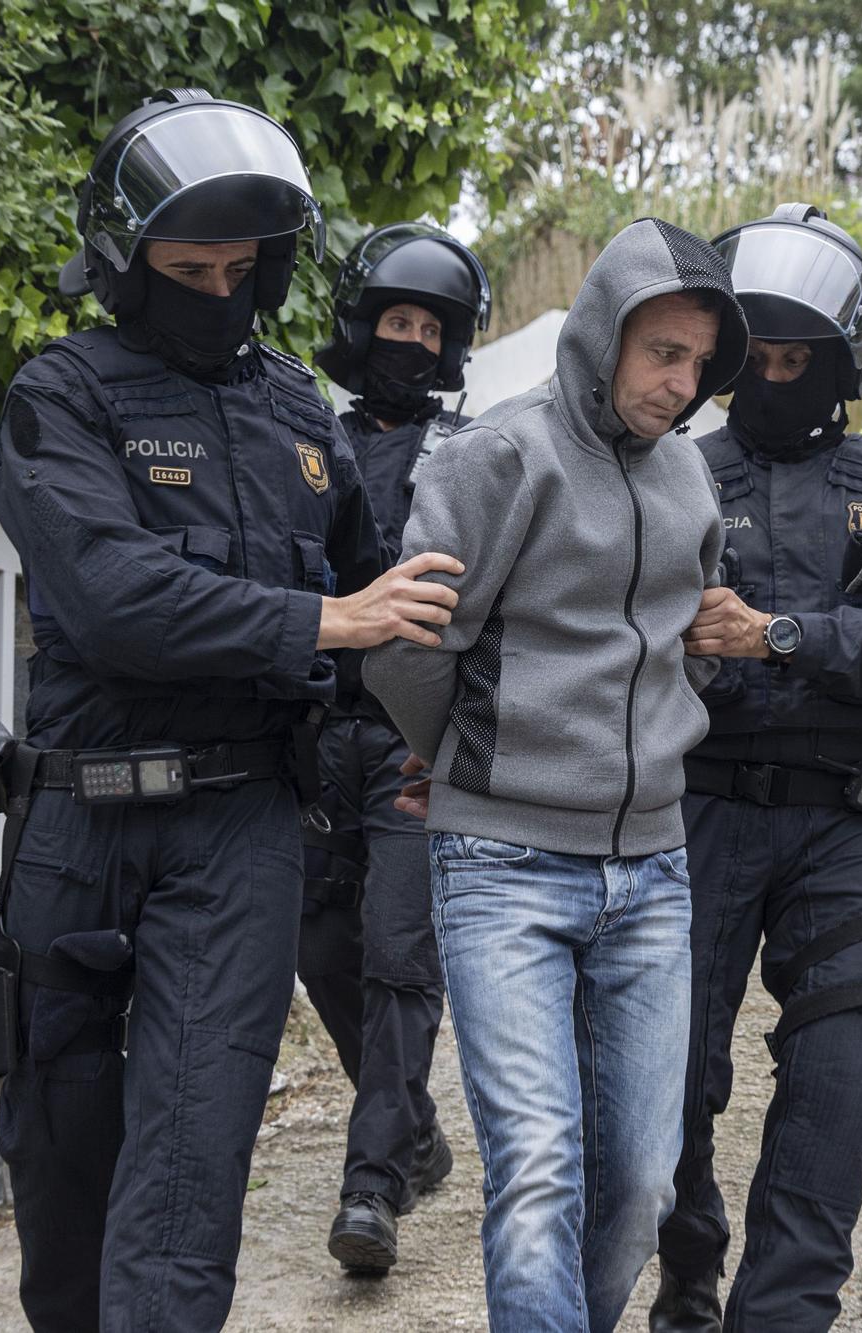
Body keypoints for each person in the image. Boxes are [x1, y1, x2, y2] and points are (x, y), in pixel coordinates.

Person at [0, 89, 461, 1330]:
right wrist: (320, 621)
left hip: (240, 825)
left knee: (191, 1178)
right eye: (185, 267)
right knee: (61, 1166)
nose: (215, 291)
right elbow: (109, 598)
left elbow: (388, 613)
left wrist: (443, 742)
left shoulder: (306, 415)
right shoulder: (58, 397)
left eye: (236, 269)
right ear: (122, 261)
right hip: (74, 823)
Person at [362, 218, 748, 1332]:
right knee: (537, 1167)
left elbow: (687, 641)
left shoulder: (689, 478)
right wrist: (467, 761)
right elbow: (405, 642)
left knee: (637, 1182)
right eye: (658, 353)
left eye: (694, 362)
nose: (677, 385)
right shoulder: (499, 454)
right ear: (600, 336)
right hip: (502, 864)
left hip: (653, 871)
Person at [651, 206, 862, 1332]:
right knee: (669, 1085)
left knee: (834, 1087)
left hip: (852, 826)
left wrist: (781, 635)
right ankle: (685, 1274)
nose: (780, 375)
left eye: (802, 358)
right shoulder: (671, 475)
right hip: (693, 815)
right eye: (764, 356)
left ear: (839, 364)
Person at [299, 223, 492, 1273]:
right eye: (395, 319)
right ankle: (413, 1132)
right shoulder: (309, 438)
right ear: (361, 324)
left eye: (430, 326)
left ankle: (370, 1184)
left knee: (397, 953)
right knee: (319, 944)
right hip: (314, 736)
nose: (410, 340)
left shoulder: (472, 451)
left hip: (414, 741)